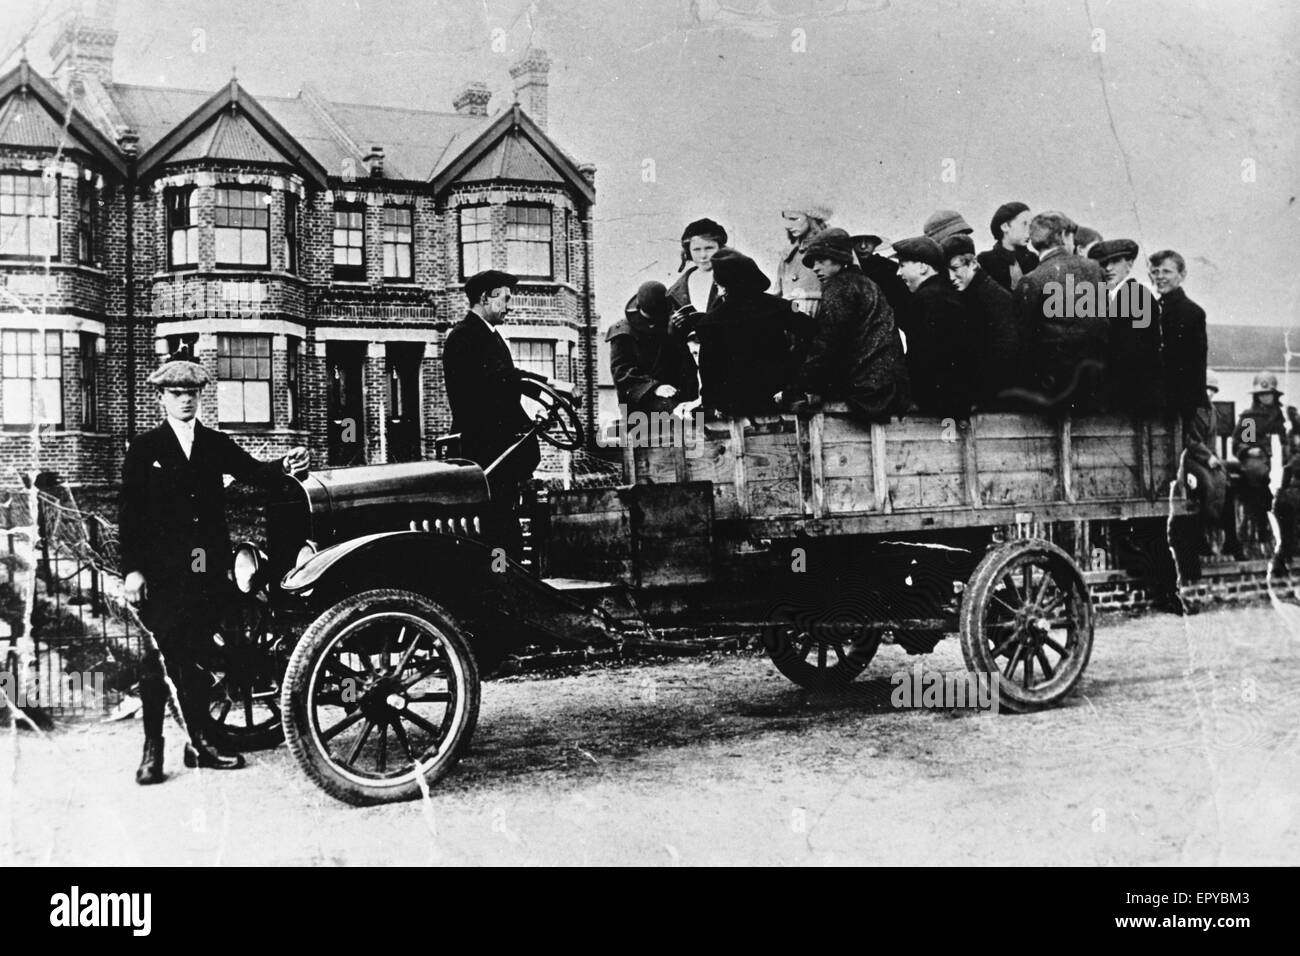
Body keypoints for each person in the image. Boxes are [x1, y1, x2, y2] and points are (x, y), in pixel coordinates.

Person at [120, 354, 310, 785]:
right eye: (175, 393)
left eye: (191, 393)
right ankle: (153, 750)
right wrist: (132, 570)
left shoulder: (213, 444)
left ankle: (198, 743)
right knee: (159, 659)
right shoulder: (145, 448)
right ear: (162, 399)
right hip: (160, 574)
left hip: (205, 571)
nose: (184, 400)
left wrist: (286, 465)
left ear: (201, 396)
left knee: (196, 656)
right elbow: (129, 515)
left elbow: (256, 472)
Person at [443, 269, 542, 561]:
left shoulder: (490, 337)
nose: (510, 305)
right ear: (485, 298)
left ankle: (509, 580)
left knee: (504, 525)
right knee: (494, 529)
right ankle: (500, 586)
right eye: (505, 298)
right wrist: (549, 385)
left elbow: (505, 387)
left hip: (501, 455)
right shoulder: (464, 337)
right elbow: (500, 380)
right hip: (485, 454)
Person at [777, 227, 909, 423]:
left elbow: (826, 343)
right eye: (813, 262)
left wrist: (801, 385)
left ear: (839, 260)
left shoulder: (839, 287)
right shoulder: (864, 282)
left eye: (821, 261)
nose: (815, 268)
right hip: (884, 385)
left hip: (865, 391)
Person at [1013, 211, 1109, 414]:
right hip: (1095, 385)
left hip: (1052, 392)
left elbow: (1023, 341)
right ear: (1065, 235)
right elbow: (1102, 322)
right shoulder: (1094, 269)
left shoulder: (1032, 280)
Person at [692, 248, 794, 416]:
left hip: (735, 405)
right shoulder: (783, 306)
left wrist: (710, 402)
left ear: (721, 284)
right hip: (778, 398)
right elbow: (812, 331)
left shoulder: (708, 322)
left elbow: (709, 371)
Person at [893, 235, 975, 417]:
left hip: (936, 403)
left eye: (902, 265)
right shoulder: (950, 294)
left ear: (922, 267)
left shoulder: (925, 300)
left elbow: (924, 357)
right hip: (956, 398)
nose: (899, 274)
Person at [943, 234, 1020, 409]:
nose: (950, 277)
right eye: (946, 271)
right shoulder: (974, 292)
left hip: (995, 399)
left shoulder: (993, 298)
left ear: (973, 263)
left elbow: (1004, 354)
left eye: (955, 269)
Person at [1089, 238, 1163, 415]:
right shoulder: (1103, 298)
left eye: (1115, 262)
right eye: (1103, 263)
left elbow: (1133, 352)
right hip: (1115, 394)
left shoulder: (1138, 297)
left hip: (1132, 395)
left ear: (1129, 264)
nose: (1108, 269)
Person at [607, 280, 700, 415]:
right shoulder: (623, 333)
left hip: (678, 395)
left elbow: (687, 363)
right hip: (642, 403)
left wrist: (679, 332)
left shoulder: (670, 324)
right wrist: (654, 387)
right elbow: (622, 372)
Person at [1232, 372, 1287, 558]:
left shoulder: (1282, 418)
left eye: (1268, 394)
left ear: (1274, 395)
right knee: (1258, 492)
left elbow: (1286, 443)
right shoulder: (1251, 417)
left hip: (1279, 465)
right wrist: (1249, 450)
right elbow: (1244, 443)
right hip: (1259, 466)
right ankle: (1261, 535)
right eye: (1261, 394)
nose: (1265, 397)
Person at [774, 202, 833, 320]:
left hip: (822, 312)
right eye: (786, 219)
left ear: (812, 219)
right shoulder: (788, 254)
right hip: (793, 311)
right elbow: (778, 293)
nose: (788, 226)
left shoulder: (832, 245)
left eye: (794, 219)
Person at [667, 218, 726, 315]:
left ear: (720, 248)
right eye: (696, 249)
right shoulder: (677, 290)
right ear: (688, 252)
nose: (703, 255)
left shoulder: (735, 281)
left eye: (709, 248)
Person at [977, 201, 1040, 291]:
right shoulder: (984, 261)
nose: (1030, 230)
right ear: (1005, 227)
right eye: (1024, 224)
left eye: (1031, 224)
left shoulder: (1034, 260)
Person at [850, 232, 910, 316]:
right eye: (858, 241)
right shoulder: (845, 269)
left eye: (868, 241)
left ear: (875, 244)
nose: (863, 246)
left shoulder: (887, 269)